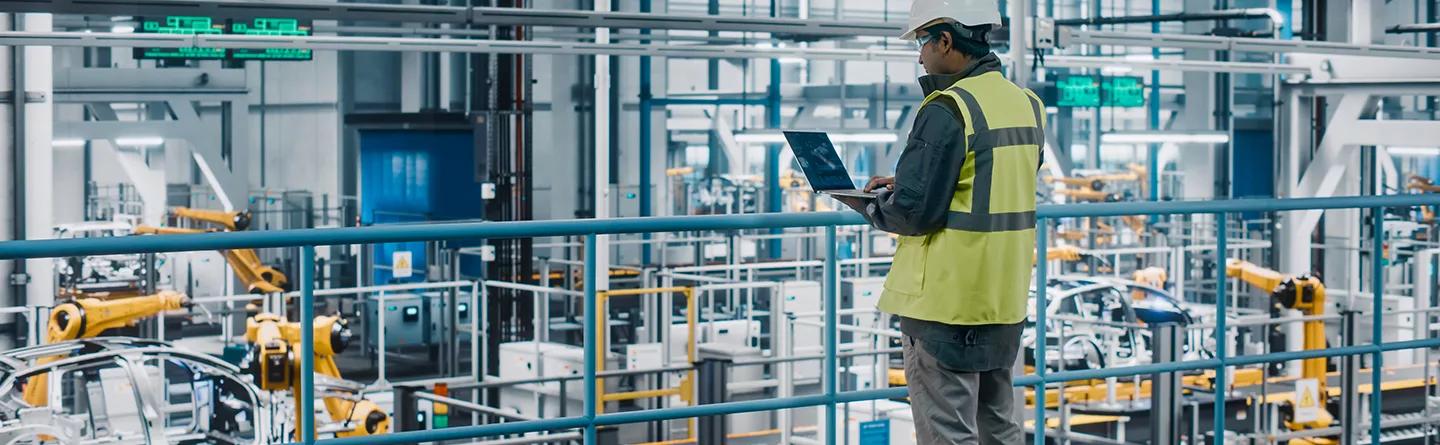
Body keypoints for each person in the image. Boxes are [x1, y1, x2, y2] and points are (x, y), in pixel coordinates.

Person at [834, 0, 1045, 443]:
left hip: (946, 305)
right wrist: (915, 178)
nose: (920, 55)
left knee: (948, 433)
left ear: (946, 40)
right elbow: (991, 177)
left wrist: (870, 203)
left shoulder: (947, 107)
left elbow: (913, 213)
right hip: (1003, 299)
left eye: (923, 42)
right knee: (1000, 427)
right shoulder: (1027, 105)